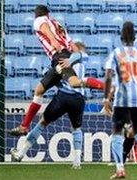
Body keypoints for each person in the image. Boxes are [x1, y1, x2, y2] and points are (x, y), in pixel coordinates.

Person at [8, 5, 104, 136]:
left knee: (74, 82)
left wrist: (54, 43)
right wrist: (75, 58)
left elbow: (46, 30)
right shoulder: (59, 25)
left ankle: (108, 87)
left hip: (59, 56)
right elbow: (73, 45)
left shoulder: (40, 20)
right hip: (61, 58)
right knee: (39, 90)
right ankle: (24, 126)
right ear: (48, 13)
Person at [10, 42, 88, 169]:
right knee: (76, 128)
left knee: (43, 122)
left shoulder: (67, 59)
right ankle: (77, 162)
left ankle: (20, 154)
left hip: (63, 96)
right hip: (78, 98)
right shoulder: (84, 61)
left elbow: (56, 73)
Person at [103, 21, 137, 179]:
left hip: (121, 99)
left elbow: (108, 76)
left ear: (121, 37)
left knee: (117, 133)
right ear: (135, 38)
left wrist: (107, 98)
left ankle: (120, 168)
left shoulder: (116, 53)